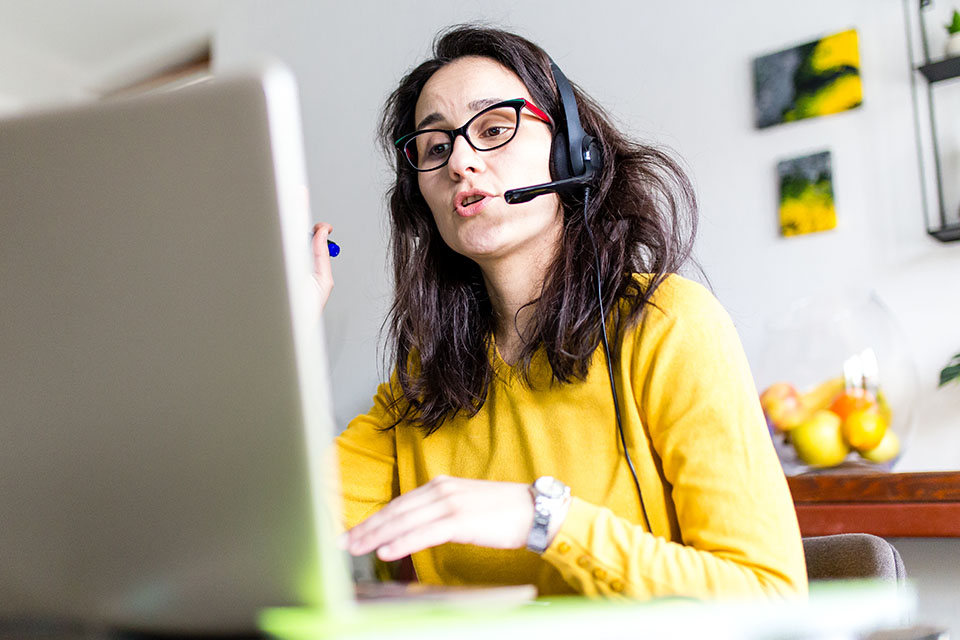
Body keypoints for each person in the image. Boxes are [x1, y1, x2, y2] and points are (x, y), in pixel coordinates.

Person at [311, 25, 807, 599]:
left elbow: (770, 593)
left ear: (572, 149)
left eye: (494, 128)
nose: (460, 162)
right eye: (436, 147)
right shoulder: (427, 380)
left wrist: (544, 519)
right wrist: (283, 333)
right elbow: (266, 533)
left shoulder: (668, 323)